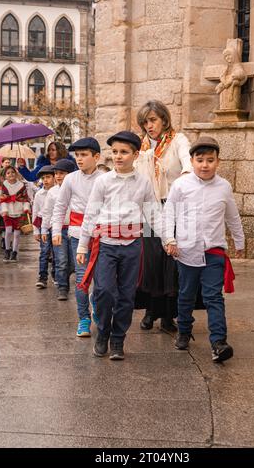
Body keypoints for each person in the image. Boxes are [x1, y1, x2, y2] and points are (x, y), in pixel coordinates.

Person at [76, 131, 164, 360]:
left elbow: (153, 214)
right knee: (104, 291)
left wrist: (169, 239)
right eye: (114, 152)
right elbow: (91, 213)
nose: (118, 156)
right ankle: (103, 333)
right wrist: (82, 246)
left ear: (135, 155)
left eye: (124, 152)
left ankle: (118, 339)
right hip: (106, 245)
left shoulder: (143, 182)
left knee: (126, 295)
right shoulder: (103, 181)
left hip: (132, 246)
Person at [163, 136, 245, 362]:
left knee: (213, 297)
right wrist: (169, 239)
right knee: (186, 295)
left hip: (213, 252)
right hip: (186, 252)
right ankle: (184, 331)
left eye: (210, 160)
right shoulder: (181, 185)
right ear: (192, 161)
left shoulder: (224, 187)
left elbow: (232, 216)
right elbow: (169, 213)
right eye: (200, 160)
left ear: (218, 162)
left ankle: (219, 342)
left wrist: (240, 241)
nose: (205, 165)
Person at [134, 100, 192, 333]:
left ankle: (169, 315)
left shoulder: (178, 140)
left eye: (153, 120)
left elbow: (188, 161)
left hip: (172, 206)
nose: (149, 125)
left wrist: (186, 174)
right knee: (151, 260)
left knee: (171, 259)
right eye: (145, 121)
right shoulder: (140, 146)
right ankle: (151, 311)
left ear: (164, 120)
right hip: (149, 209)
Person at [52, 138, 102, 334]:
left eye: (84, 155)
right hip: (76, 234)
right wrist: (56, 230)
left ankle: (97, 305)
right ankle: (83, 318)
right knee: (82, 278)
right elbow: (60, 206)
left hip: (100, 236)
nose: (79, 159)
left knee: (101, 279)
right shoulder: (71, 179)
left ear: (96, 157)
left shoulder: (104, 178)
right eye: (77, 156)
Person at [41, 159, 76, 301]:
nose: (58, 176)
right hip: (59, 230)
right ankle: (62, 287)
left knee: (73, 262)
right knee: (61, 260)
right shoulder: (53, 192)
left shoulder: (76, 190)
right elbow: (47, 212)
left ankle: (64, 276)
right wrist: (44, 229)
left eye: (62, 173)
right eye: (56, 173)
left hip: (74, 229)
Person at [0, 166, 31, 263]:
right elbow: (3, 199)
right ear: (5, 176)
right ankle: (7, 250)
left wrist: (26, 208)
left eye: (12, 172)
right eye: (8, 173)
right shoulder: (4, 186)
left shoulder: (21, 186)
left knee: (17, 234)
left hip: (19, 212)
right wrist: (4, 209)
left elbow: (25, 199)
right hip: (8, 212)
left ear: (16, 173)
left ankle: (14, 252)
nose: (11, 174)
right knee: (8, 231)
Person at [32, 165, 55, 289]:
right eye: (43, 178)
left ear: (54, 178)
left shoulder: (59, 192)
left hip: (56, 224)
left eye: (48, 177)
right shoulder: (39, 194)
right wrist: (36, 230)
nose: (45, 180)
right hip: (42, 224)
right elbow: (35, 211)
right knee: (45, 251)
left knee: (57, 252)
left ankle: (56, 274)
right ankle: (42, 277)